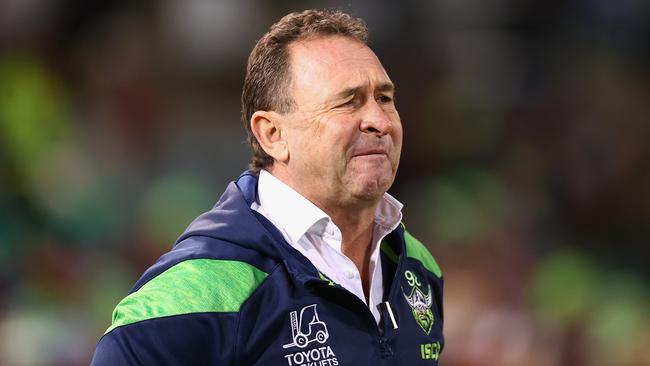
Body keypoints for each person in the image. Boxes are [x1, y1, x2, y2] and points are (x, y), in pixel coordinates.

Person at [91, 9, 444, 365]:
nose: (379, 121)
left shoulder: (418, 267)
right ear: (273, 135)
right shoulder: (201, 290)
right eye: (347, 102)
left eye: (384, 98)